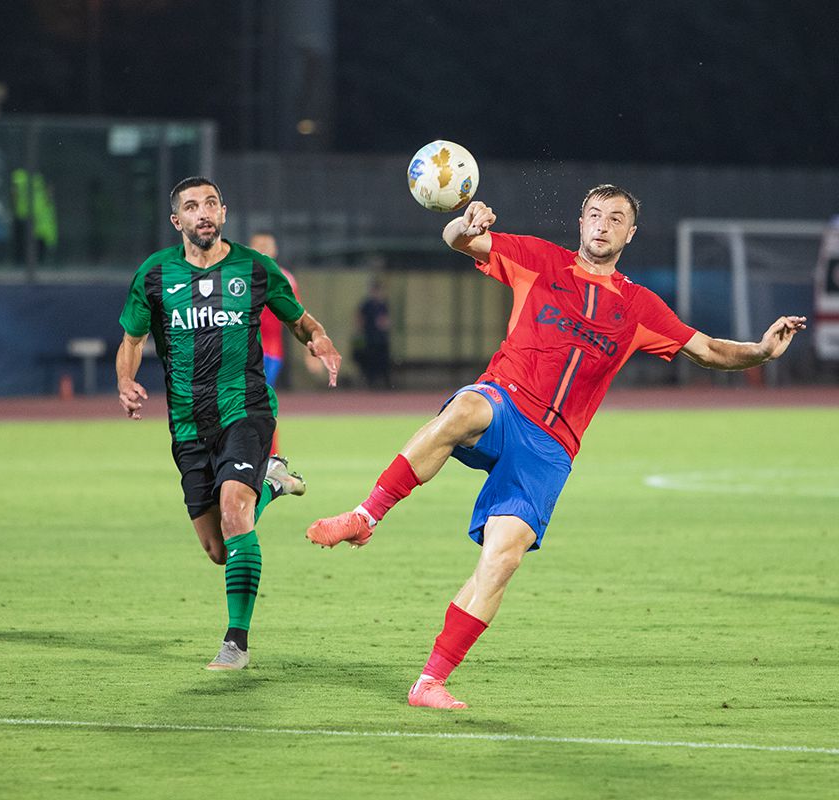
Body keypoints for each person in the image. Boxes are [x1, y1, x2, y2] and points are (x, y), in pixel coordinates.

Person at [306, 186, 806, 709]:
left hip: (551, 447)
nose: (602, 225)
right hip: (505, 402)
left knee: (500, 562)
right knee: (462, 411)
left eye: (616, 219)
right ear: (581, 221)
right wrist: (466, 224)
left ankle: (429, 681)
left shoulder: (639, 307)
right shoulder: (539, 259)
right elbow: (456, 240)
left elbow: (705, 350)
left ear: (629, 234)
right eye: (594, 214)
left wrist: (761, 351)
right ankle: (367, 515)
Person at [117, 177, 342, 670]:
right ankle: (272, 484)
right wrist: (126, 381)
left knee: (236, 510)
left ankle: (235, 643)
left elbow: (300, 320)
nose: (204, 212)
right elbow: (133, 339)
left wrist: (320, 341)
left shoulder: (255, 269)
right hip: (188, 423)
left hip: (246, 411)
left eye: (212, 203)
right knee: (219, 548)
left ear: (223, 213)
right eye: (192, 206)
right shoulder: (155, 275)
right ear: (177, 220)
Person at [250, 231, 323, 454]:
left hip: (269, 353)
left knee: (258, 402)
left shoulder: (284, 279)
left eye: (267, 245)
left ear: (275, 251)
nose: (263, 249)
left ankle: (271, 455)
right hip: (240, 352)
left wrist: (311, 352)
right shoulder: (238, 277)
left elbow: (299, 319)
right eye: (258, 245)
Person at [354, 275, 392, 389]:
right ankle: (370, 382)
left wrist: (385, 324)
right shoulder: (366, 304)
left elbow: (386, 320)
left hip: (381, 338)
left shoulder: (383, 305)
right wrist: (359, 330)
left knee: (383, 361)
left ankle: (384, 383)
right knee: (369, 360)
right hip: (369, 337)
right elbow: (359, 318)